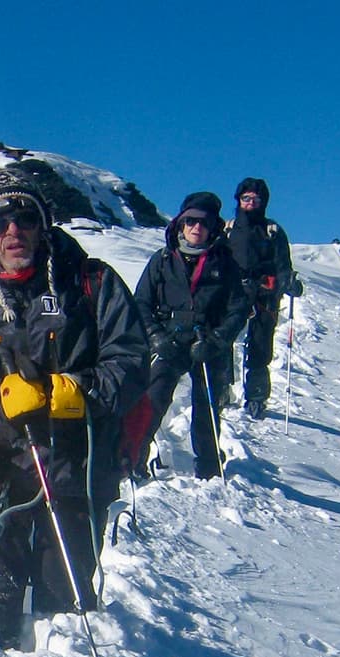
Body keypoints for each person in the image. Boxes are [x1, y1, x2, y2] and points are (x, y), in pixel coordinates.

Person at [0, 164, 149, 649]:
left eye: (24, 216)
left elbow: (130, 367)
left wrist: (58, 395)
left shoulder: (92, 285)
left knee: (62, 613)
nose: (13, 231)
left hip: (75, 471)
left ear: (43, 222)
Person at [130, 192, 249, 480]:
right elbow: (141, 303)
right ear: (180, 225)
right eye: (191, 221)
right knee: (152, 400)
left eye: (204, 223)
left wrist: (217, 340)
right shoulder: (162, 261)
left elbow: (238, 308)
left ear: (213, 228)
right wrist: (156, 336)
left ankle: (208, 467)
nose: (197, 228)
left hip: (208, 344)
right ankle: (134, 460)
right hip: (169, 340)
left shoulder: (225, 264)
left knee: (207, 407)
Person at [225, 177, 302, 419]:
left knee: (259, 345)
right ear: (238, 200)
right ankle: (221, 389)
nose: (250, 203)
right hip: (231, 293)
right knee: (222, 340)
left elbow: (282, 264)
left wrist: (287, 281)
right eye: (246, 198)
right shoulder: (226, 230)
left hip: (264, 295)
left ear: (263, 202)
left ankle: (256, 397)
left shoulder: (273, 232)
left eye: (255, 199)